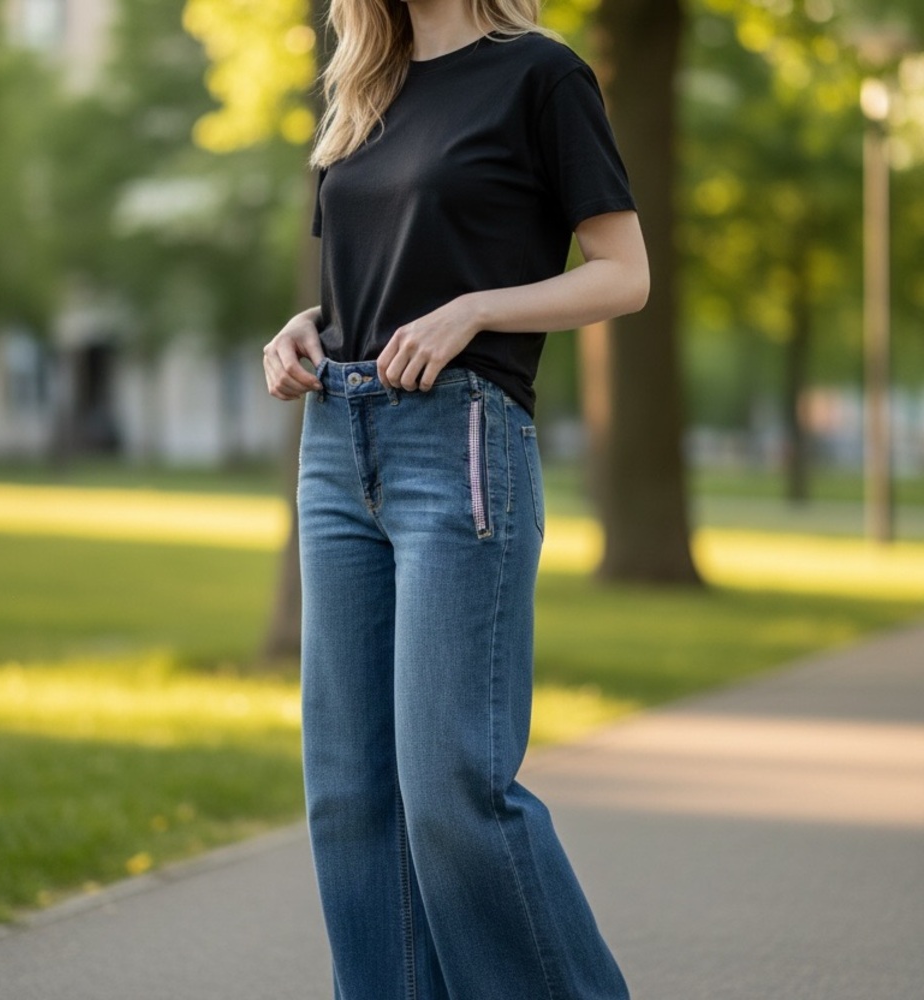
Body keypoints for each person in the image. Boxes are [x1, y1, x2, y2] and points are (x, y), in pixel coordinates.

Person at [263, 0, 649, 997]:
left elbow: (623, 275)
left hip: (460, 439)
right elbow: (376, 273)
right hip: (335, 442)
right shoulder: (364, 85)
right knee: (349, 793)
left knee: (450, 791)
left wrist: (479, 307)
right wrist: (303, 325)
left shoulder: (539, 75)